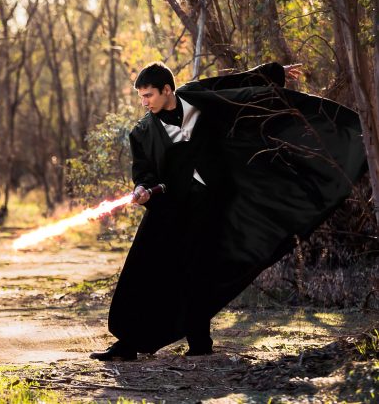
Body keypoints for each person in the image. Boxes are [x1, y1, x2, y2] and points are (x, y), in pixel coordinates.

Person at [90, 62, 366, 361]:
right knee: (143, 272)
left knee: (200, 272)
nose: (144, 103)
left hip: (213, 205)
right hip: (168, 211)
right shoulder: (142, 132)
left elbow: (237, 84)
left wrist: (274, 72)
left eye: (149, 96)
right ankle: (128, 342)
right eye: (141, 97)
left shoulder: (196, 96)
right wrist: (143, 191)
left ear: (168, 90)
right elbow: (144, 174)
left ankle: (199, 344)